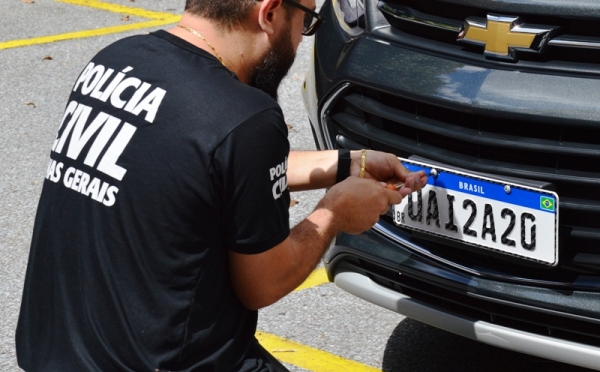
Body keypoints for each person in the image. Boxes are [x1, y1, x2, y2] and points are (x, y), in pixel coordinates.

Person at [15, 0, 427, 371]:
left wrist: (347, 163)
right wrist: (334, 213)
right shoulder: (245, 117)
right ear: (269, 13)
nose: (301, 40)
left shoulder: (115, 61)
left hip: (54, 354)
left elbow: (202, 166)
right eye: (306, 21)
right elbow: (264, 284)